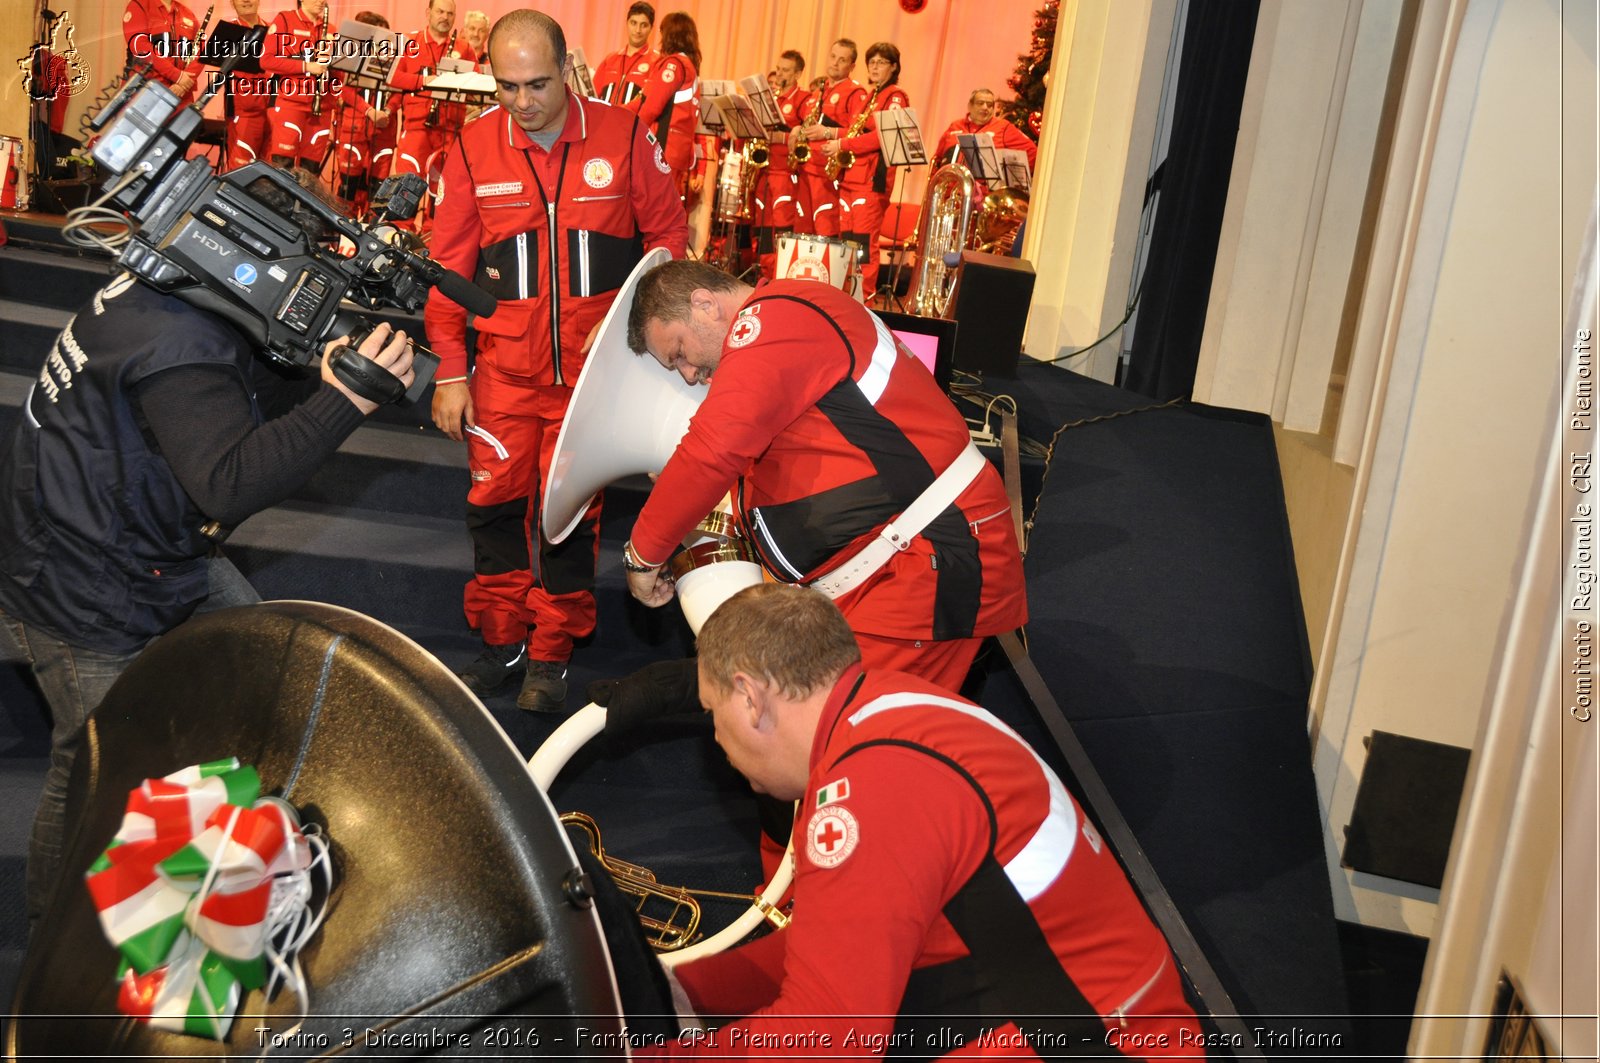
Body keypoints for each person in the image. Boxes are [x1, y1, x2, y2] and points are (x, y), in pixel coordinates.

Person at [0, 196, 416, 933]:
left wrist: (310, 371)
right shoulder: (182, 337)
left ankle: (207, 860)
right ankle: (51, 939)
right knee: (93, 765)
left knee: (262, 662)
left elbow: (230, 404)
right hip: (84, 581)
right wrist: (343, 398)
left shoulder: (172, 280)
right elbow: (229, 480)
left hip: (132, 542)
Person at [639, 583, 1203, 1058]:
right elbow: (836, 943)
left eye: (713, 714)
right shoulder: (884, 713)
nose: (715, 739)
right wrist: (686, 990)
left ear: (749, 697)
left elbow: (831, 1038)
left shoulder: (870, 789)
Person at [424, 9, 688, 712]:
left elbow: (667, 241)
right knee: (493, 509)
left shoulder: (627, 136)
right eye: (506, 86)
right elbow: (446, 271)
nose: (522, 101)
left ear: (568, 68)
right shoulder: (474, 149)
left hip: (593, 380)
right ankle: (503, 640)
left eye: (537, 83)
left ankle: (551, 652)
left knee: (566, 518)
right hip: (503, 374)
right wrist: (450, 370)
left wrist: (654, 353)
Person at [624, 259, 1026, 691]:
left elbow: (714, 451)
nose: (689, 374)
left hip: (921, 567)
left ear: (704, 304)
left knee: (852, 741)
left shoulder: (774, 319)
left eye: (680, 352)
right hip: (903, 567)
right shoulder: (792, 311)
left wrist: (643, 552)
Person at [818, 42, 909, 299]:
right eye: (872, 62)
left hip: (870, 181)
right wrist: (831, 136)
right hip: (851, 178)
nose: (875, 67)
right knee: (848, 245)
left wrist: (842, 144)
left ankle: (864, 302)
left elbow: (881, 137)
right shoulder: (871, 96)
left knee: (864, 248)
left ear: (893, 67)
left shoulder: (895, 97)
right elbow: (855, 131)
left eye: (881, 62)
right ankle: (846, 299)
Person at [387, 0, 479, 181]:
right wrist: (424, 81)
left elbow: (475, 87)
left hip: (449, 132)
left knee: (442, 196)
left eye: (450, 14)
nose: (445, 17)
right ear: (428, 13)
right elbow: (392, 77)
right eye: (440, 12)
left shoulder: (465, 48)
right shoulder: (409, 42)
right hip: (416, 130)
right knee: (405, 190)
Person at [789, 39, 865, 239]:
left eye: (842, 60)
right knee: (802, 228)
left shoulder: (855, 93)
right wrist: (797, 128)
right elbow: (806, 122)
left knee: (825, 229)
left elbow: (858, 132)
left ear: (852, 66)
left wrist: (829, 133)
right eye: (833, 57)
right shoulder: (818, 91)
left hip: (829, 174)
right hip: (806, 169)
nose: (835, 63)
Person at [623, 10, 699, 196]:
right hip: (675, 150)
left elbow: (651, 107)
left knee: (654, 211)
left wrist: (628, 135)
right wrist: (614, 114)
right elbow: (642, 99)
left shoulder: (674, 65)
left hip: (664, 149)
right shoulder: (686, 65)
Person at [258, 0, 341, 168]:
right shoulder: (285, 19)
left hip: (321, 108)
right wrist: (306, 66)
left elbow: (339, 73)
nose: (321, 2)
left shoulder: (331, 30)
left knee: (310, 169)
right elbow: (266, 61)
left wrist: (334, 96)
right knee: (283, 165)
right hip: (292, 103)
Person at [328, 11, 397, 207]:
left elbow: (400, 89)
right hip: (353, 126)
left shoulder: (392, 58)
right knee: (348, 187)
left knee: (378, 190)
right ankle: (342, 230)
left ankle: (373, 231)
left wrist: (389, 111)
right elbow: (342, 87)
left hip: (384, 126)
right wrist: (368, 110)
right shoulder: (347, 56)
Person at [753, 48, 808, 279]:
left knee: (782, 226)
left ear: (797, 74)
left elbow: (806, 134)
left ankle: (780, 275)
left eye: (786, 70)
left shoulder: (803, 99)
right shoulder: (770, 98)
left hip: (785, 173)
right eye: (778, 69)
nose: (780, 74)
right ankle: (765, 273)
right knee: (763, 226)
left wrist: (783, 137)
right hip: (764, 171)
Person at [933, 87, 1039, 173]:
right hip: (950, 193)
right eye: (980, 103)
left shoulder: (1003, 127)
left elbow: (1033, 153)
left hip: (985, 196)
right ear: (970, 106)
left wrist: (1005, 174)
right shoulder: (955, 126)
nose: (985, 108)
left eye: (990, 105)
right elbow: (937, 160)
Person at [221, 0, 273, 171]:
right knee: (241, 169)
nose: (246, 0)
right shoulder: (228, 30)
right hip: (243, 111)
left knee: (270, 169)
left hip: (273, 111)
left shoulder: (273, 30)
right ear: (232, 2)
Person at [122, 0, 205, 104]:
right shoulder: (139, 5)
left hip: (182, 95)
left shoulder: (187, 13)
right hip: (147, 90)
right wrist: (177, 76)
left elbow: (201, 50)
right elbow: (140, 46)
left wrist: (184, 83)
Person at [592, 1, 657, 106]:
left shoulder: (657, 62)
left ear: (651, 28)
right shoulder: (610, 59)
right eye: (633, 23)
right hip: (605, 120)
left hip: (635, 122)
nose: (637, 30)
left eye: (644, 25)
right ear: (627, 23)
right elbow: (592, 96)